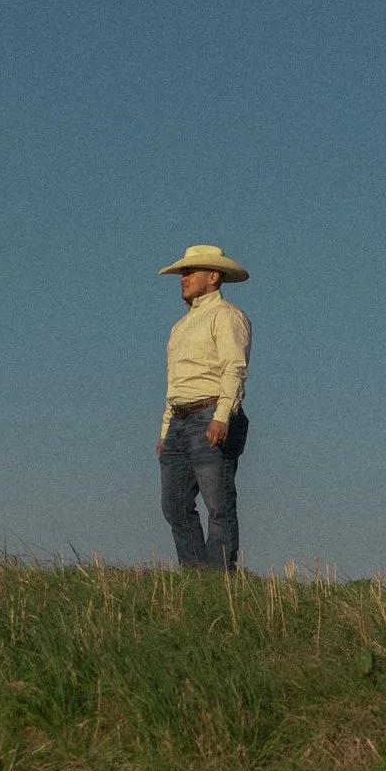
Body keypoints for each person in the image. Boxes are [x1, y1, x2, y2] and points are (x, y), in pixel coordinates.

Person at [155, 244, 252, 572]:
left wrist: (222, 416)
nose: (183, 278)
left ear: (213, 276)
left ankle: (219, 578)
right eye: (182, 272)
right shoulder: (179, 327)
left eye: (189, 271)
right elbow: (175, 382)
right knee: (175, 506)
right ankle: (196, 577)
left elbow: (234, 368)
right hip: (180, 420)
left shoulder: (227, 316)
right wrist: (166, 430)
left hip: (210, 414)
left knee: (218, 504)